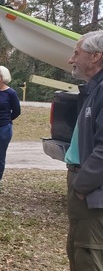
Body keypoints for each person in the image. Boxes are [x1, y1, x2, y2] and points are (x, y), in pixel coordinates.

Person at [65, 30, 103, 271]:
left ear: (96, 56)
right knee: (78, 251)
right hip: (86, 186)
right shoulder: (93, 89)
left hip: (92, 193)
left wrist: (81, 186)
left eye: (76, 53)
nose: (71, 60)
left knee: (89, 257)